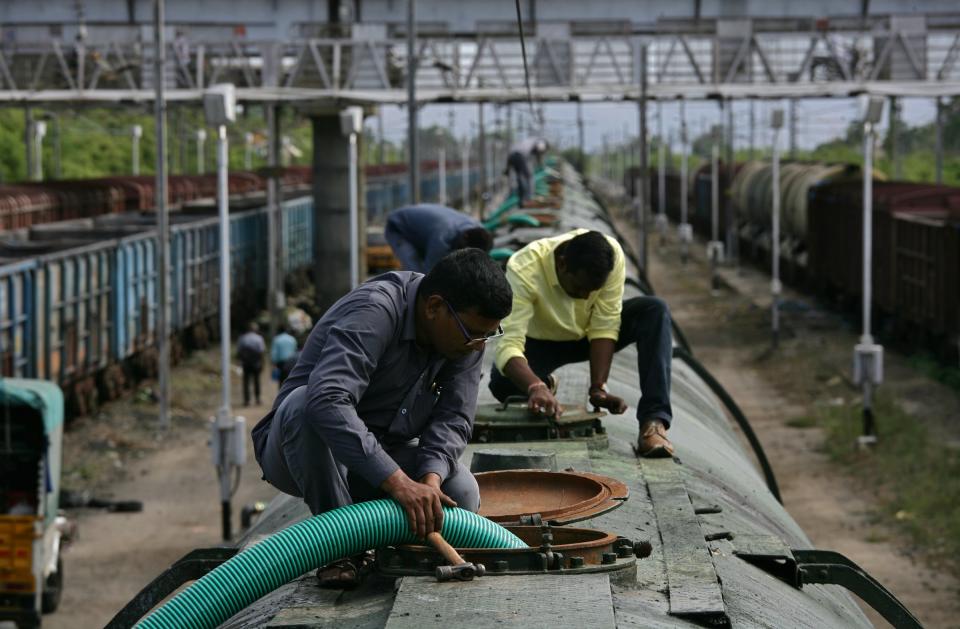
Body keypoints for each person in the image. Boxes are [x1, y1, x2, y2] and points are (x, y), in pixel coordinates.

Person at [252, 249, 512, 587]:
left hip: (378, 455)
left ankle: (400, 547)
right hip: (303, 450)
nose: (479, 346)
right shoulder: (375, 311)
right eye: (474, 333)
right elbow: (328, 400)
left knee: (460, 492)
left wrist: (430, 480)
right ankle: (339, 549)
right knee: (305, 404)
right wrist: (399, 483)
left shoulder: (463, 338)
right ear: (434, 307)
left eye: (488, 336)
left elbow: (454, 417)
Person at [488, 229, 675, 458]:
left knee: (654, 310)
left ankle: (653, 423)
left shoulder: (611, 256)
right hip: (541, 341)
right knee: (502, 384)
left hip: (587, 337)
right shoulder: (524, 268)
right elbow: (509, 344)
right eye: (579, 289)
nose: (586, 297)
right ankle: (544, 383)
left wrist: (599, 388)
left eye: (592, 292)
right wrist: (536, 387)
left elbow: (605, 324)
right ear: (563, 264)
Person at [384, 204, 493, 273]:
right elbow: (430, 274)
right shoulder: (442, 238)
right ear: (465, 237)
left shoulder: (477, 228)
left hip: (423, 230)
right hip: (398, 227)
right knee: (417, 274)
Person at [237, 322, 266, 406]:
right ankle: (257, 399)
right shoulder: (259, 338)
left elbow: (239, 351)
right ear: (255, 329)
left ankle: (247, 400)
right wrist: (262, 363)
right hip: (256, 362)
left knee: (246, 381)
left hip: (246, 363)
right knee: (256, 381)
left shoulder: (242, 338)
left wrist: (240, 362)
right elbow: (261, 352)